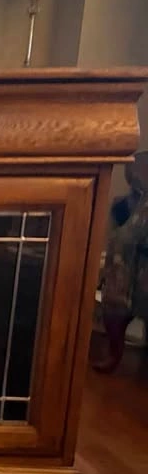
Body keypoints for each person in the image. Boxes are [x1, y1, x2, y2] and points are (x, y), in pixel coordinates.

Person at [95, 151, 148, 373]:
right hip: (123, 270)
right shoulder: (122, 205)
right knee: (115, 312)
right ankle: (114, 353)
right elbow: (120, 237)